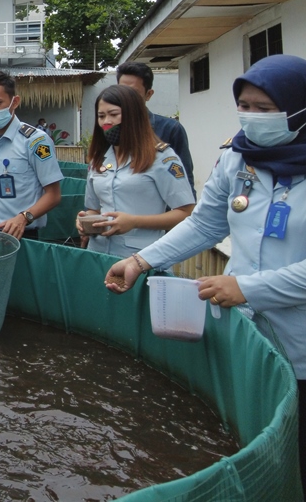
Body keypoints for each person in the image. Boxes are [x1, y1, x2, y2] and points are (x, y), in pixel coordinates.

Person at [105, 54, 306, 490]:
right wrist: (141, 261)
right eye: (244, 105)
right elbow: (204, 223)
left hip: (300, 339)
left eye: (264, 108)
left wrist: (247, 287)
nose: (250, 117)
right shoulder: (238, 157)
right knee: (255, 442)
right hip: (248, 332)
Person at [77, 85, 195, 257]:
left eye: (114, 114)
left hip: (143, 258)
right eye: (101, 116)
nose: (106, 122)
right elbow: (93, 209)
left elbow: (186, 213)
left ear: (133, 117)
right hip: (98, 255)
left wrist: (134, 222)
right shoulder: (99, 158)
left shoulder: (161, 158)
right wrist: (85, 222)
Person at [0, 70, 63, 240]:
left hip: (20, 234)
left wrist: (24, 218)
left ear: (14, 102)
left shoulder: (36, 141)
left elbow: (53, 195)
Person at [116, 61, 195, 191]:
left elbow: (185, 182)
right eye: (122, 91)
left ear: (148, 94)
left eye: (134, 93)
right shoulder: (109, 129)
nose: (126, 98)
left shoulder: (171, 130)